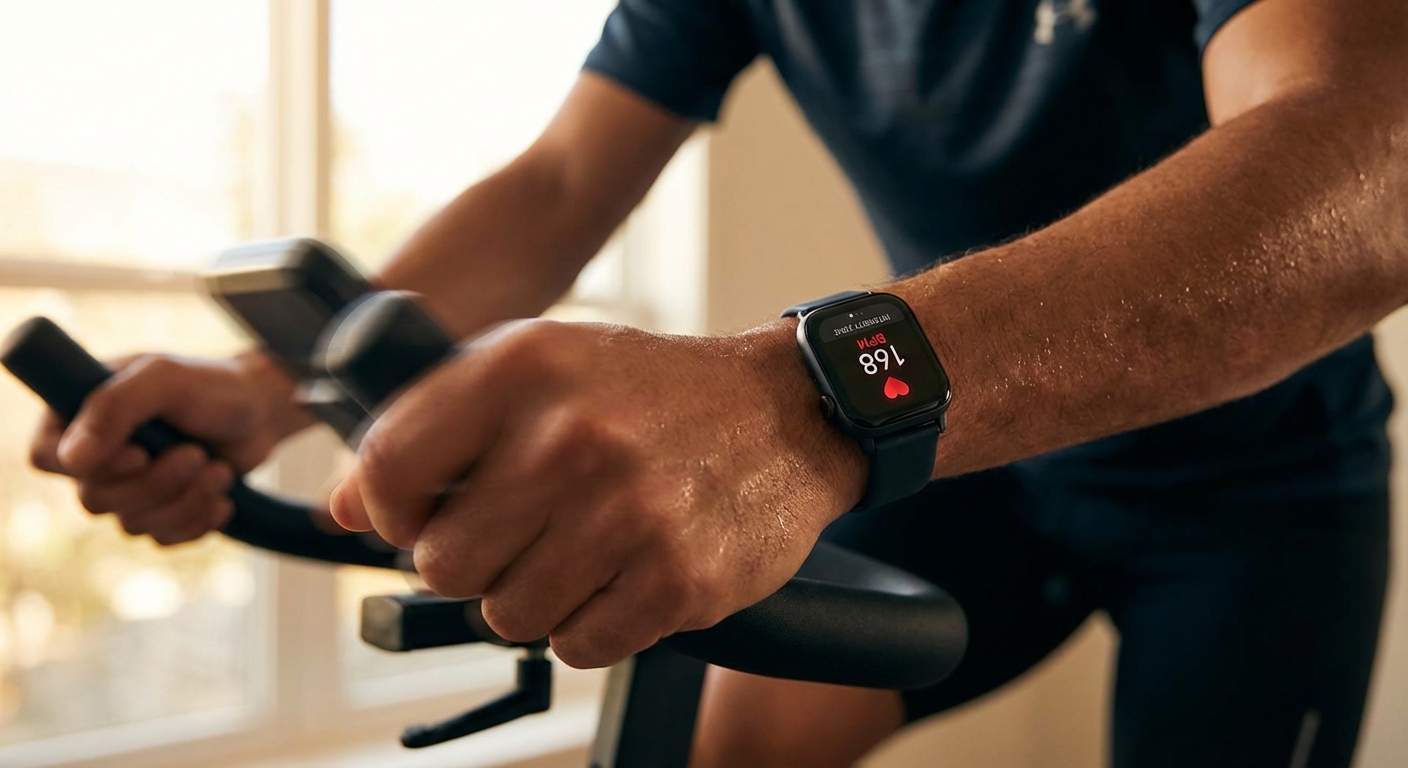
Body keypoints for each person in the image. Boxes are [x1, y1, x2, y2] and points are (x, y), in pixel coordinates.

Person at [29, 0, 1408, 765]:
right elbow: (560, 182)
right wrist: (265, 387)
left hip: (1257, 487)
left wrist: (798, 399)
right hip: (969, 463)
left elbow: (1370, 161)